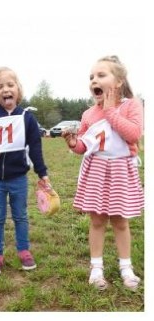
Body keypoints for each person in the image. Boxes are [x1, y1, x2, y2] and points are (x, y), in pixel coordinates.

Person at [61, 56, 143, 290]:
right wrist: (73, 142)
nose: (94, 80)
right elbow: (85, 147)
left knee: (120, 221)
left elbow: (133, 134)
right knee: (97, 221)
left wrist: (110, 111)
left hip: (121, 171)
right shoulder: (88, 114)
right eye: (91, 77)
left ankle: (126, 267)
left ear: (118, 82)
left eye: (101, 75)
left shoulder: (131, 105)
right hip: (96, 171)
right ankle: (96, 268)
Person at [0, 67, 49, 276]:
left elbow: (36, 147)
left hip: (19, 177)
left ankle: (23, 250)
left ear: (17, 89)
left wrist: (42, 173)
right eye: (0, 86)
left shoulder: (27, 117)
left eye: (10, 85)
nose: (5, 90)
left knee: (20, 215)